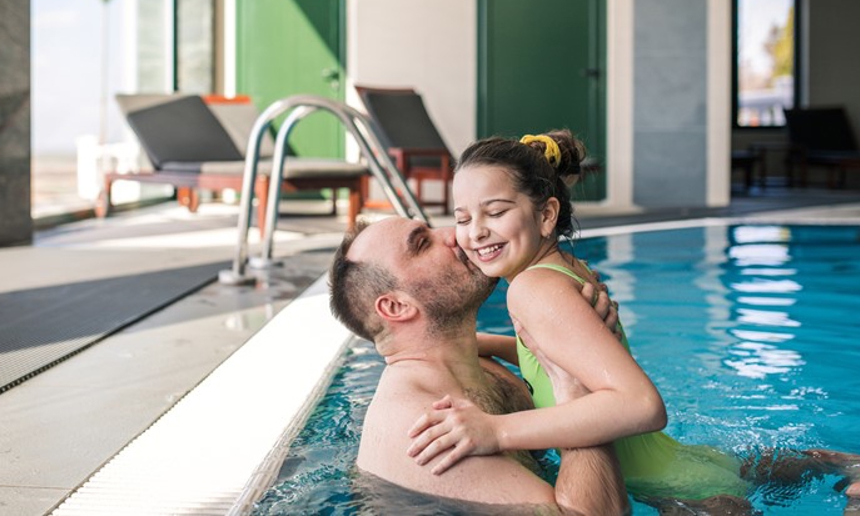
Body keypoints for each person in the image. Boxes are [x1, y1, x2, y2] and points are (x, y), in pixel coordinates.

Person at [407, 130, 860, 513]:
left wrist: (496, 430)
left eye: (496, 212)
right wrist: (477, 343)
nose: (475, 232)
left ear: (545, 215)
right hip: (684, 463)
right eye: (463, 218)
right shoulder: (563, 271)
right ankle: (846, 468)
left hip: (681, 490)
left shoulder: (532, 290)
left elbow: (642, 406)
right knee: (803, 465)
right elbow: (554, 350)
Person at [329, 216, 631, 515]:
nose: (455, 234)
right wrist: (576, 381)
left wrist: (579, 336)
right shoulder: (425, 429)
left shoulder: (480, 366)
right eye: (423, 244)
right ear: (397, 307)